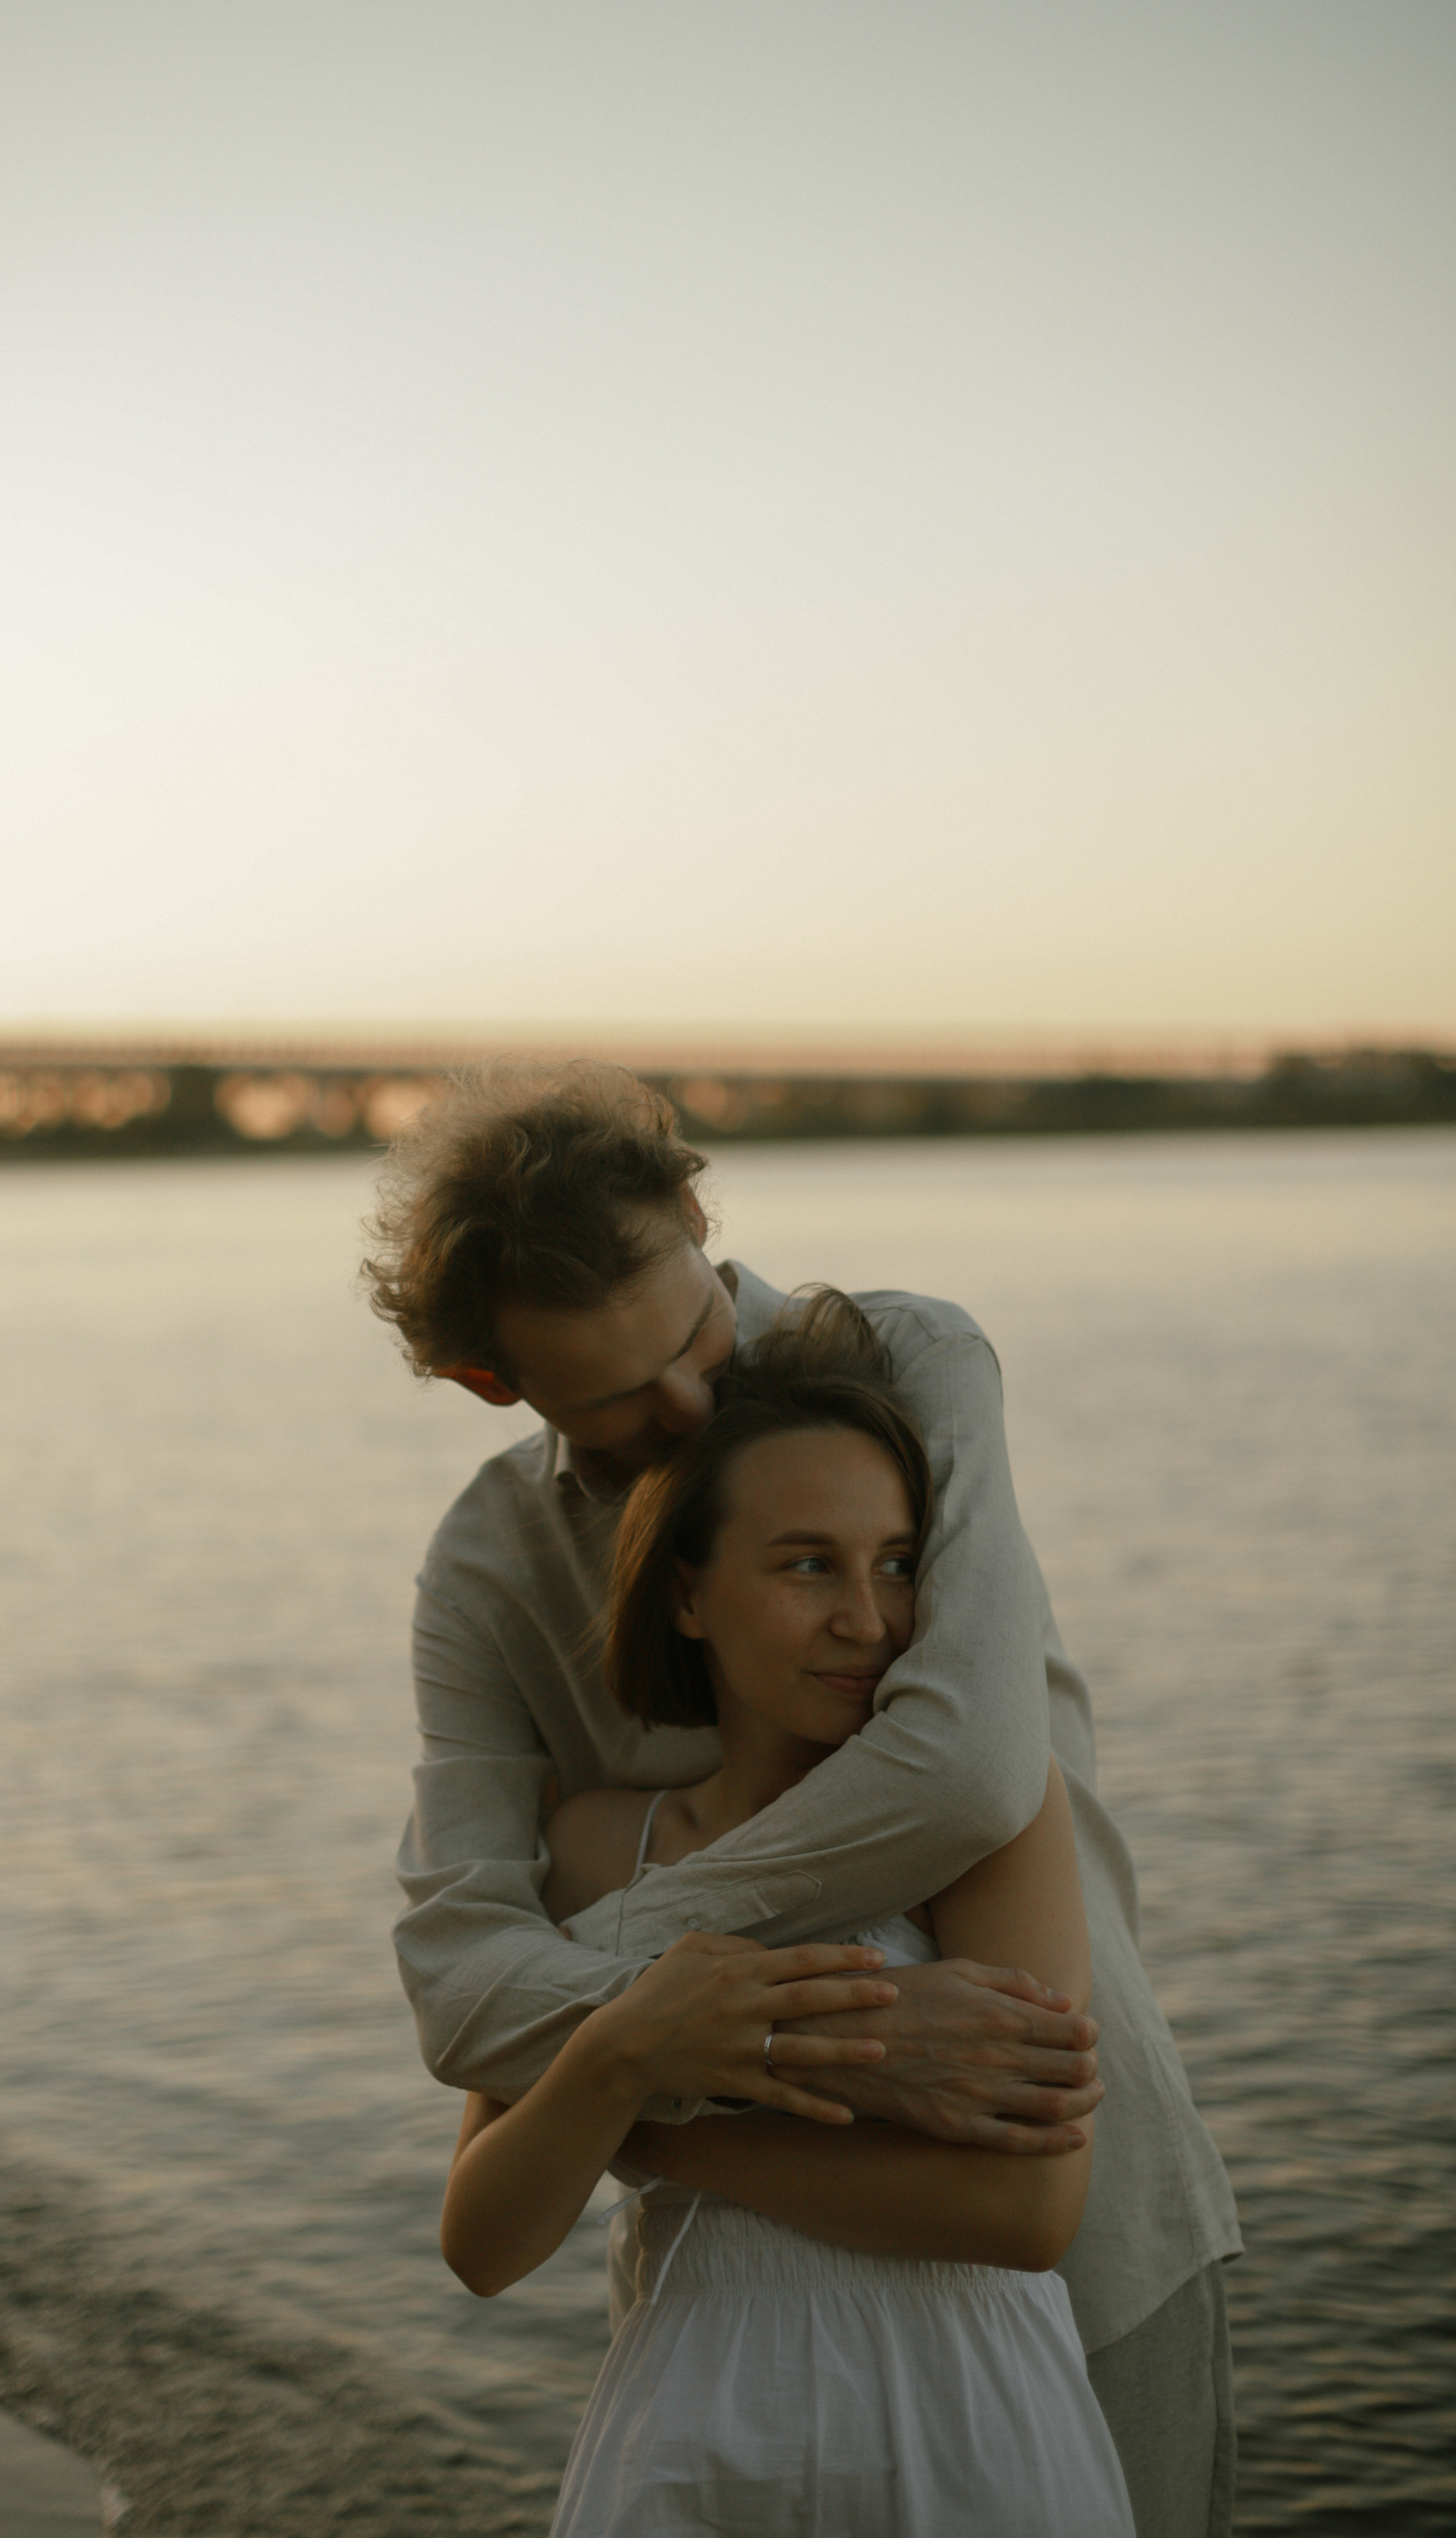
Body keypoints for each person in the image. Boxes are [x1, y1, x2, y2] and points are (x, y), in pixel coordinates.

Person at [368, 1061, 1240, 2538]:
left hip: (1075, 2196)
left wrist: (649, 2025)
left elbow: (964, 1773)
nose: (694, 1406)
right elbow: (459, 1988)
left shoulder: (911, 1367)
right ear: (488, 1385)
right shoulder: (486, 1572)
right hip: (732, 2321)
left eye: (697, 1338)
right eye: (623, 1406)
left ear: (698, 1214)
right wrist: (765, 2035)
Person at [440, 1291, 1135, 2534]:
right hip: (693, 2439)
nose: (869, 1622)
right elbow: (484, 2242)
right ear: (690, 1594)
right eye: (808, 1564)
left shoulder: (994, 1819)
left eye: (900, 1563)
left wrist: (650, 2110)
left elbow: (1029, 2215)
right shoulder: (601, 1845)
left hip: (966, 2434)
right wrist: (625, 2050)